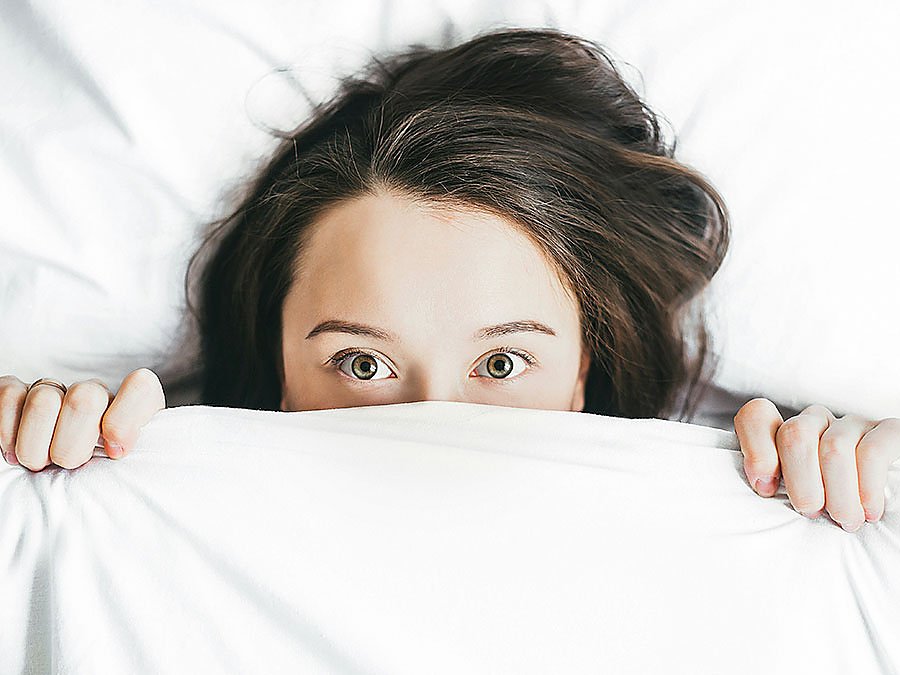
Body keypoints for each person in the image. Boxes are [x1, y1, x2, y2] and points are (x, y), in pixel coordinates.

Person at [1, 28, 896, 533]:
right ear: (275, 364)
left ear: (587, 367)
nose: (433, 427)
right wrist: (28, 460)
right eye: (360, 363)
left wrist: (869, 488)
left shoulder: (742, 513)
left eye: (503, 364)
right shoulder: (141, 513)